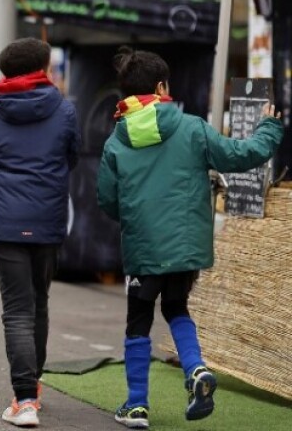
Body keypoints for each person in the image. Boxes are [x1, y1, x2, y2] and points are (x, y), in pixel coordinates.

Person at [97, 47, 282, 429]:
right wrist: (269, 128)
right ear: (162, 87)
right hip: (185, 247)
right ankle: (196, 372)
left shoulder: (116, 140)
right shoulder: (192, 127)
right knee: (177, 308)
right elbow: (241, 155)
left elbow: (107, 201)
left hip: (143, 249)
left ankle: (136, 406)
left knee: (138, 322)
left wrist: (135, 216)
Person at [0, 38, 79, 428]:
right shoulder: (65, 111)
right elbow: (72, 157)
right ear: (43, 69)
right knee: (39, 303)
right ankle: (30, 390)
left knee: (17, 309)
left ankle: (23, 401)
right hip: (48, 219)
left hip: (5, 221)